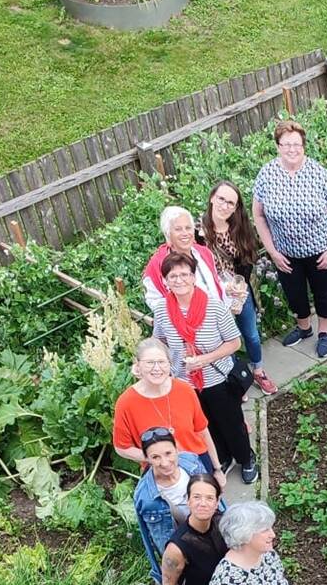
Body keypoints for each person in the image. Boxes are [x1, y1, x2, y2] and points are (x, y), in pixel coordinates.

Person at [155, 250, 257, 483]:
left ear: (193, 277)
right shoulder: (162, 310)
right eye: (173, 276)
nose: (179, 280)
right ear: (165, 281)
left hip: (217, 379)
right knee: (205, 425)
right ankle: (222, 457)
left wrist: (205, 359)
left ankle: (245, 457)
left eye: (184, 274)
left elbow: (234, 342)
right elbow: (160, 340)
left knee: (231, 422)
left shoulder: (214, 306)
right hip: (185, 383)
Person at [252, 120, 327, 359]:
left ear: (303, 146)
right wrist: (272, 251)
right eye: (286, 144)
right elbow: (258, 215)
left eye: (296, 144)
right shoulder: (267, 174)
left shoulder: (318, 173)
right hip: (285, 253)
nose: (291, 149)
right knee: (294, 294)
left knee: (323, 293)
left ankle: (324, 333)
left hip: (319, 251)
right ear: (278, 146)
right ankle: (304, 328)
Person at [201, 180, 278, 396]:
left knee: (251, 335)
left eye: (231, 203)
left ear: (236, 208)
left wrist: (239, 289)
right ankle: (236, 377)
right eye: (221, 199)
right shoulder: (199, 233)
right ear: (212, 198)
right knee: (226, 339)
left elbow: (248, 260)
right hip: (214, 298)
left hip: (238, 292)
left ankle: (258, 370)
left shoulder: (240, 228)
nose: (225, 205)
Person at [112, 338, 221, 475]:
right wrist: (155, 458)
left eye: (162, 362)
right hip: (159, 471)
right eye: (150, 363)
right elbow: (122, 447)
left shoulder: (185, 390)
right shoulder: (126, 402)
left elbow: (202, 431)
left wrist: (217, 469)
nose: (157, 368)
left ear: (170, 364)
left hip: (197, 463)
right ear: (137, 365)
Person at [133, 428, 219, 582]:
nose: (165, 463)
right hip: (184, 549)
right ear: (146, 458)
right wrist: (161, 574)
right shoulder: (145, 497)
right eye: (155, 457)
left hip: (210, 532)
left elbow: (211, 491)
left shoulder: (191, 462)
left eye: (168, 453)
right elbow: (149, 537)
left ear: (176, 449)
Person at [141, 206, 225, 327]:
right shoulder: (157, 264)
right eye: (178, 229)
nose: (185, 233)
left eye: (188, 228)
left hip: (217, 322)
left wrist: (228, 291)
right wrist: (179, 316)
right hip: (185, 328)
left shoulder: (203, 253)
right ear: (168, 234)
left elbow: (215, 284)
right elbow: (154, 300)